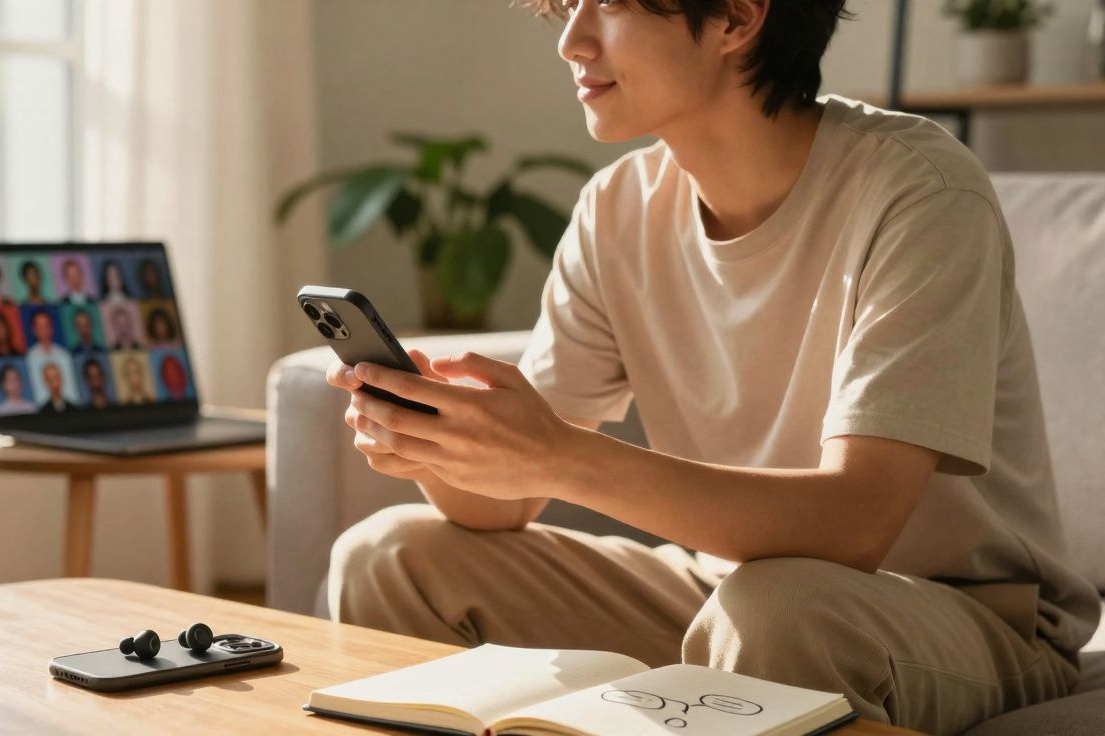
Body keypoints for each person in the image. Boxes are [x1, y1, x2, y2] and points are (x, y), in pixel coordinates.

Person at [322, 2, 1099, 734]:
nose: (571, 42)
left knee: (776, 611)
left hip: (961, 617)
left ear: (736, 15)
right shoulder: (615, 209)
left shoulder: (921, 192)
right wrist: (437, 443)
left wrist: (558, 456)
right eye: (568, 6)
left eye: (611, 5)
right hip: (730, 596)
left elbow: (857, 523)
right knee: (389, 557)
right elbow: (507, 504)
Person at [23, 310, 77, 404]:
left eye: (47, 326)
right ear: (34, 330)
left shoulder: (64, 355)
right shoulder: (29, 357)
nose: (44, 330)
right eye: (40, 327)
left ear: (52, 328)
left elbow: (70, 385)